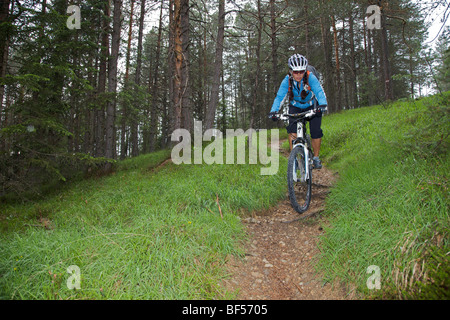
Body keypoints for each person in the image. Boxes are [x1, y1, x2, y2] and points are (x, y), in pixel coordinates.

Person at [269, 54, 327, 169]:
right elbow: (280, 97)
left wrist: (322, 105)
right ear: (291, 71)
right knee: (292, 131)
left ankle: (315, 158)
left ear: (305, 70)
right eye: (296, 72)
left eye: (301, 71)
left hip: (312, 105)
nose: (299, 74)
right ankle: (294, 158)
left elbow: (319, 92)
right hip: (295, 106)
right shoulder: (287, 80)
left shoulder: (310, 77)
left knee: (316, 131)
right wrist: (273, 111)